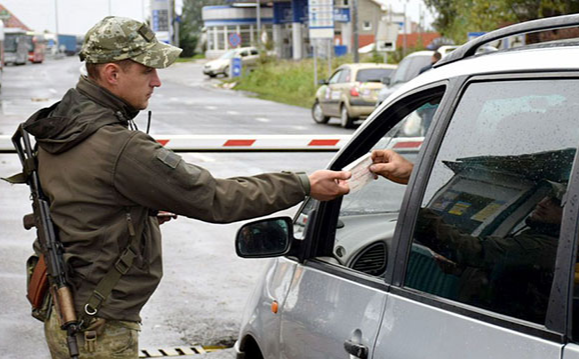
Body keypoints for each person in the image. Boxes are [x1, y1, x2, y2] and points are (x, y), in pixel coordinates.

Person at [22, 17, 350, 358]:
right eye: (148, 69)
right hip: (98, 324)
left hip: (66, 307)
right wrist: (303, 184)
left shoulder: (63, 123)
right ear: (112, 74)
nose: (157, 81)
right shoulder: (119, 146)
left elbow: (82, 202)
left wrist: (136, 211)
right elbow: (216, 199)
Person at [370, 149, 579, 323]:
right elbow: (504, 275)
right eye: (547, 196)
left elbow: (475, 250)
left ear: (575, 215)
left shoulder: (544, 247)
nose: (543, 202)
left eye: (557, 202)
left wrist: (417, 209)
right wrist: (460, 268)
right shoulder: (539, 236)